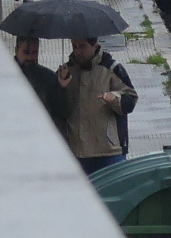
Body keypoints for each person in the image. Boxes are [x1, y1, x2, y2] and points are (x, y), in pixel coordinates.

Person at [56, 36, 137, 174]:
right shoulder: (66, 72)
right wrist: (61, 87)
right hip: (77, 151)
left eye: (82, 46)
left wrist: (115, 98)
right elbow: (57, 109)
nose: (78, 51)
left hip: (109, 152)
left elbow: (131, 100)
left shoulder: (111, 68)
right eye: (74, 47)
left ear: (95, 45)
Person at [15, 35, 65, 123]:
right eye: (26, 52)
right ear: (16, 50)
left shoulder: (49, 78)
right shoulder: (4, 76)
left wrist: (62, 88)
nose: (30, 57)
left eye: (34, 53)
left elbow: (61, 112)